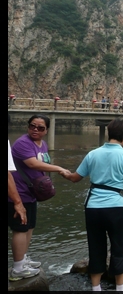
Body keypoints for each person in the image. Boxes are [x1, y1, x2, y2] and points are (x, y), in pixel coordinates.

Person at [61, 118, 123, 294]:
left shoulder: (93, 154)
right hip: (116, 208)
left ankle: (96, 290)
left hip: (93, 207)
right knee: (117, 246)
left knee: (96, 246)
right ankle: (120, 290)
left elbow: (76, 177)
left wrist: (65, 174)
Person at [9, 114, 69, 282]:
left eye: (40, 128)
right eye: (32, 126)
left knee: (29, 227)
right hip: (19, 192)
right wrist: (59, 169)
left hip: (31, 193)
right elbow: (33, 164)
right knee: (20, 228)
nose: (35, 130)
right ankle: (18, 267)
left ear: (46, 130)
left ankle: (23, 258)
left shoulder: (42, 144)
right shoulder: (22, 143)